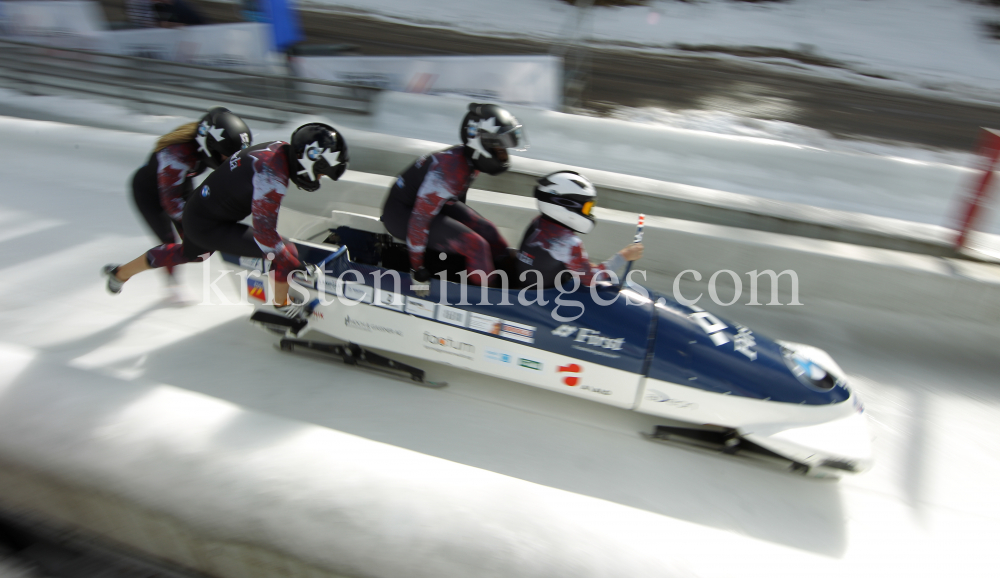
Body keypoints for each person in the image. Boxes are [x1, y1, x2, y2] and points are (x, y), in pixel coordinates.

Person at [103, 123, 349, 321]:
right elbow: (266, 236)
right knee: (285, 253)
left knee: (190, 253)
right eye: (320, 171)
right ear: (308, 158)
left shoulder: (278, 149)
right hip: (208, 223)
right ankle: (282, 306)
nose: (318, 178)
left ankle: (120, 273)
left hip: (201, 212)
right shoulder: (272, 176)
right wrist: (296, 264)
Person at [380, 103, 527, 287]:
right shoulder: (449, 172)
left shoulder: (469, 163)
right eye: (499, 150)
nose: (504, 157)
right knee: (476, 246)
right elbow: (419, 223)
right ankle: (487, 298)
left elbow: (457, 199)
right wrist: (417, 269)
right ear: (480, 143)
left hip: (430, 206)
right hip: (401, 215)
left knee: (489, 232)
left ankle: (516, 281)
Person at [130, 107, 251, 299]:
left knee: (200, 249)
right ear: (209, 146)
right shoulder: (177, 155)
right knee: (169, 240)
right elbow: (171, 204)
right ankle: (169, 283)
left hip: (179, 185)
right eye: (226, 156)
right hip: (149, 195)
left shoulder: (199, 147)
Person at [516, 171, 643, 288]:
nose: (588, 213)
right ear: (567, 205)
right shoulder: (567, 242)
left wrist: (583, 265)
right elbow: (591, 279)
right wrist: (623, 256)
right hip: (547, 301)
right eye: (587, 208)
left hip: (525, 287)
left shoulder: (537, 223)